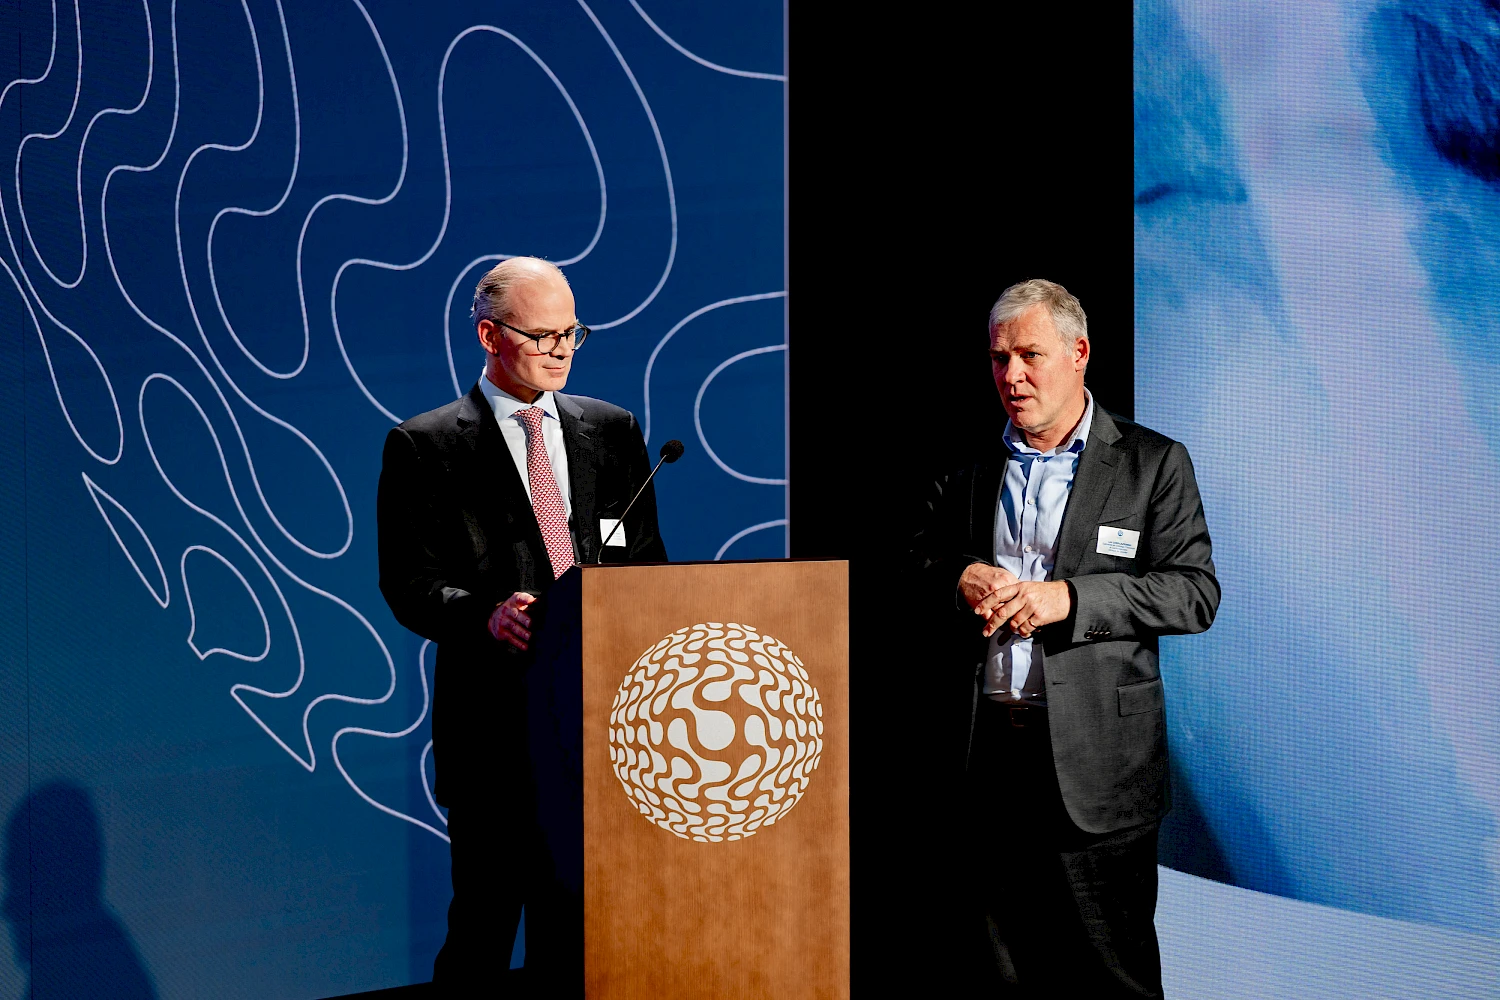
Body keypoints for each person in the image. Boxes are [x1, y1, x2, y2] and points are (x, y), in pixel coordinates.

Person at [911, 279, 1219, 996]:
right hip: (984, 760)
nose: (1011, 376)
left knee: (1110, 979)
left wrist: (1070, 598)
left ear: (1079, 353)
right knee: (996, 973)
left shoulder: (1151, 463)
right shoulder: (966, 463)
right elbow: (915, 561)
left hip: (1097, 766)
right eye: (999, 359)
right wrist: (958, 577)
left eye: (1030, 355)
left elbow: (1194, 593)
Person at [377, 257, 666, 993]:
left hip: (604, 732)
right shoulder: (426, 445)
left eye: (573, 333)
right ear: (489, 335)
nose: (562, 350)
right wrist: (485, 615)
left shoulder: (613, 430)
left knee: (582, 946)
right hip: (496, 738)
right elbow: (410, 585)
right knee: (482, 936)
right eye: (543, 336)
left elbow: (647, 566)